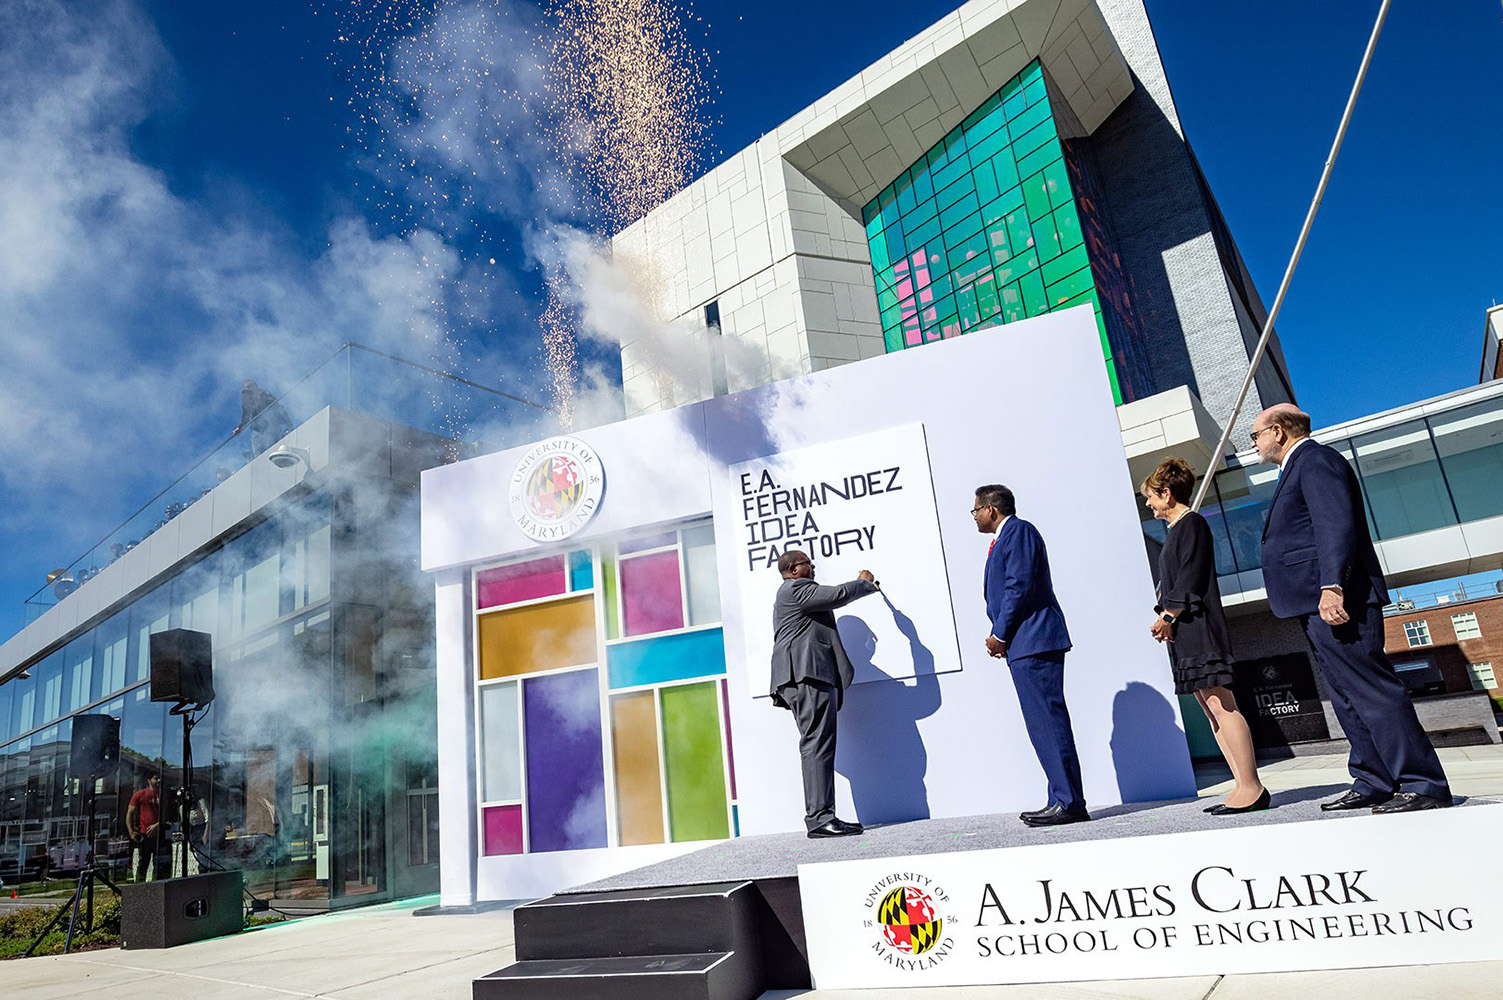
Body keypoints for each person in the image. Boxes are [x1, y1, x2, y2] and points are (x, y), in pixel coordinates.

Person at [1254, 404, 1452, 813]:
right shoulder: (1296, 467)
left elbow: (1334, 524)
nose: (1254, 443)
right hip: (1313, 602)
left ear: (1277, 431)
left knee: (1372, 690)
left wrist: (1333, 585)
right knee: (1346, 695)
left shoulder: (1316, 461)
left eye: (1256, 435)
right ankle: (1373, 779)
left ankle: (1423, 783)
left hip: (1338, 599)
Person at [1141, 458, 1268, 815]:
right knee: (1210, 709)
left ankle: (1252, 787)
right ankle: (1241, 785)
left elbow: (1191, 577)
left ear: (1167, 493)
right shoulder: (1176, 530)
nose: (1149, 504)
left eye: (1151, 496)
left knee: (1222, 704)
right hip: (1186, 630)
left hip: (1199, 626)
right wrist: (1167, 618)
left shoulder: (1192, 524)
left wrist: (1168, 615)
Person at [974, 485, 1087, 827]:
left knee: (1048, 721)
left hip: (1033, 639)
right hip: (1024, 644)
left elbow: (1018, 586)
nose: (975, 516)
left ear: (992, 509)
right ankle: (1060, 797)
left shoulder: (1019, 531)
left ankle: (1069, 802)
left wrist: (1000, 633)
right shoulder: (1005, 538)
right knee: (1041, 724)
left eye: (976, 510)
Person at [769, 549, 879, 838]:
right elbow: (838, 594)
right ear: (794, 570)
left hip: (805, 674)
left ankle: (821, 815)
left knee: (817, 743)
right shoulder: (796, 589)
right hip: (806, 673)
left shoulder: (794, 592)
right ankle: (819, 819)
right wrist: (863, 582)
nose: (813, 567)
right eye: (808, 563)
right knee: (817, 743)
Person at [233, 379, 293, 457]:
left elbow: (280, 410)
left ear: (256, 387)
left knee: (275, 448)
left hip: (272, 425)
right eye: (245, 389)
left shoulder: (266, 396)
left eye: (249, 387)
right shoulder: (247, 401)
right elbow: (246, 415)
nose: (247, 390)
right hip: (257, 429)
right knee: (259, 453)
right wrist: (241, 427)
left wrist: (290, 426)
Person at [126, 773, 163, 881]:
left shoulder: (164, 795)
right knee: (143, 864)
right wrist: (131, 832)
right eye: (155, 778)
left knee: (160, 865)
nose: (158, 781)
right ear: (149, 780)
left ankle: (157, 888)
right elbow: (129, 813)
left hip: (160, 835)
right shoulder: (140, 794)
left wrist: (158, 825)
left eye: (160, 778)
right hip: (145, 834)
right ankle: (140, 887)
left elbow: (170, 814)